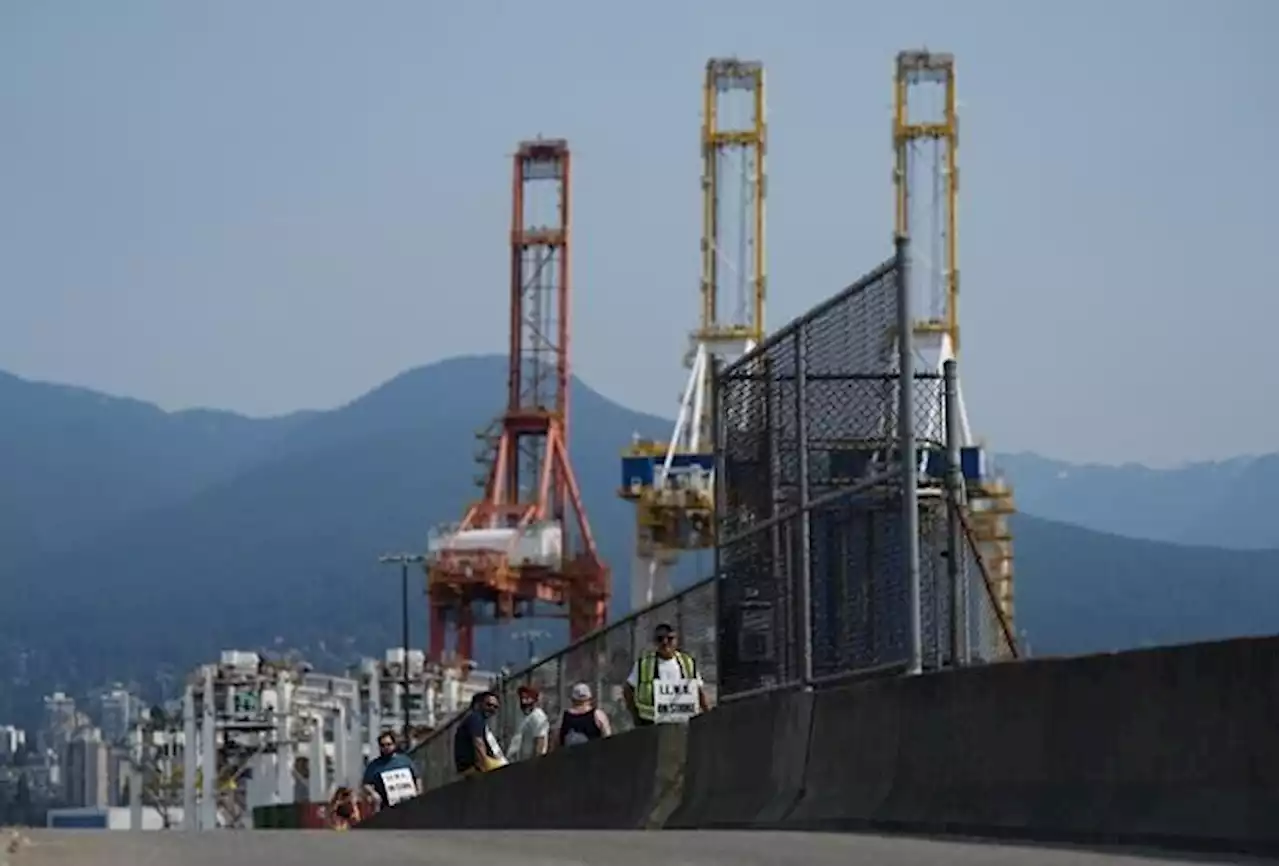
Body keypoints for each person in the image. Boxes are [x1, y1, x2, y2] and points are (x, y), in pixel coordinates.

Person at [624, 622, 711, 727]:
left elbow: (699, 691)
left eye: (670, 639)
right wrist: (636, 717)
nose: (665, 642)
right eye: (660, 639)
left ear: (676, 640)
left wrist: (709, 716)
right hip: (650, 724)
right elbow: (628, 690)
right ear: (655, 642)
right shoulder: (644, 664)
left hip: (682, 723)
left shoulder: (687, 662)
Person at [361, 732, 420, 811]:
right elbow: (366, 784)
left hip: (408, 805)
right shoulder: (374, 765)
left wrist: (419, 794)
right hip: (386, 807)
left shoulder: (405, 761)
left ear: (394, 744)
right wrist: (374, 794)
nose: (386, 747)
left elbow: (417, 777)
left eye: (388, 744)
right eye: (382, 745)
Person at [453, 690, 508, 776]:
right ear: (478, 704)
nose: (492, 709)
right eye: (489, 705)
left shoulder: (477, 721)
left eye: (495, 707)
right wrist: (484, 767)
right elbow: (478, 743)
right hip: (476, 767)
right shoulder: (476, 718)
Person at [558, 682, 611, 748]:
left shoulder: (564, 717)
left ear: (572, 699)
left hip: (570, 757)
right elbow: (608, 738)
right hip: (594, 756)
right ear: (589, 698)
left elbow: (556, 740)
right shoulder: (598, 715)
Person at [507, 685, 550, 761]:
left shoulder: (538, 716)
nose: (523, 701)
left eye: (527, 698)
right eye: (522, 698)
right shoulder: (521, 715)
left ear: (534, 700)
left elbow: (540, 741)